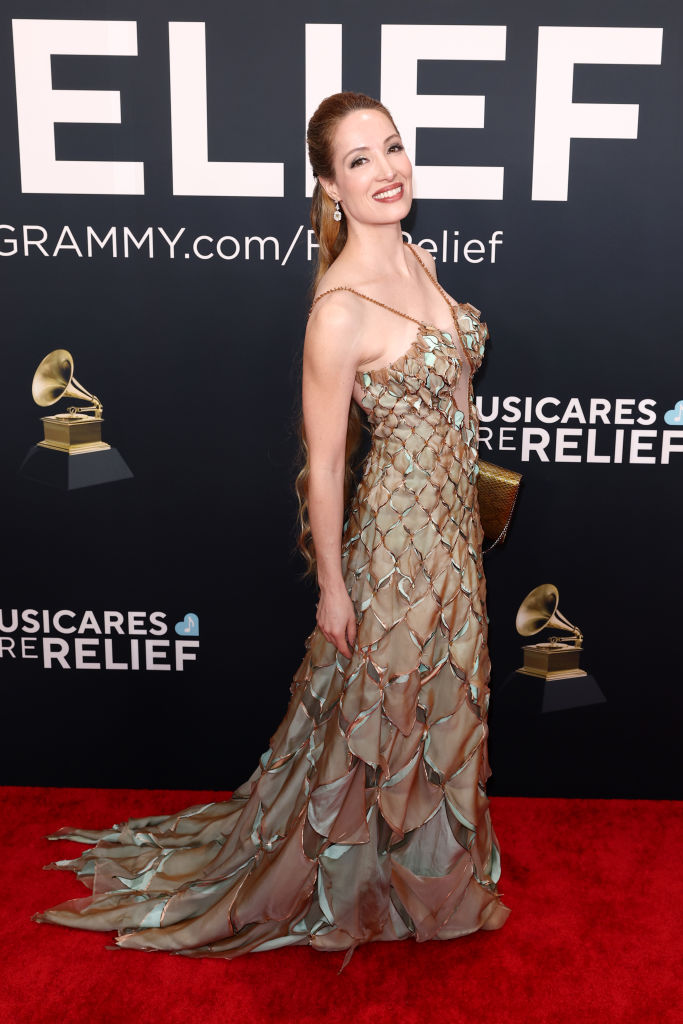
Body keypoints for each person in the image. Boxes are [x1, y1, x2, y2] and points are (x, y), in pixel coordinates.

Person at [32, 91, 511, 970]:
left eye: (393, 148)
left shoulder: (422, 257)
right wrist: (334, 584)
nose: (386, 170)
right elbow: (325, 464)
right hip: (396, 547)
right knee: (378, 711)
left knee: (443, 704)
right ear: (328, 185)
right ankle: (353, 881)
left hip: (450, 535)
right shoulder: (336, 310)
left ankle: (424, 878)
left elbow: (456, 395)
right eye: (359, 159)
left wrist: (470, 484)